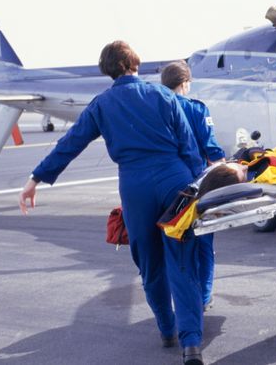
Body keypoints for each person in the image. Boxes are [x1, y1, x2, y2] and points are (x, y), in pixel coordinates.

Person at [18, 41, 207, 365]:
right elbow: (188, 147)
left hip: (135, 186)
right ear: (134, 63)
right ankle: (191, 345)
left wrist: (36, 178)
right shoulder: (163, 95)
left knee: (149, 263)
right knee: (183, 261)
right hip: (173, 179)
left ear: (108, 69)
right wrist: (196, 190)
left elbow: (71, 143)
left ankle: (166, 330)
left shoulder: (101, 104)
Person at [161, 60, 225, 312]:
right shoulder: (197, 109)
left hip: (164, 184)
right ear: (185, 84)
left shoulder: (155, 109)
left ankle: (182, 298)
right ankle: (203, 297)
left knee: (175, 245)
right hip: (195, 185)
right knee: (203, 243)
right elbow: (211, 148)